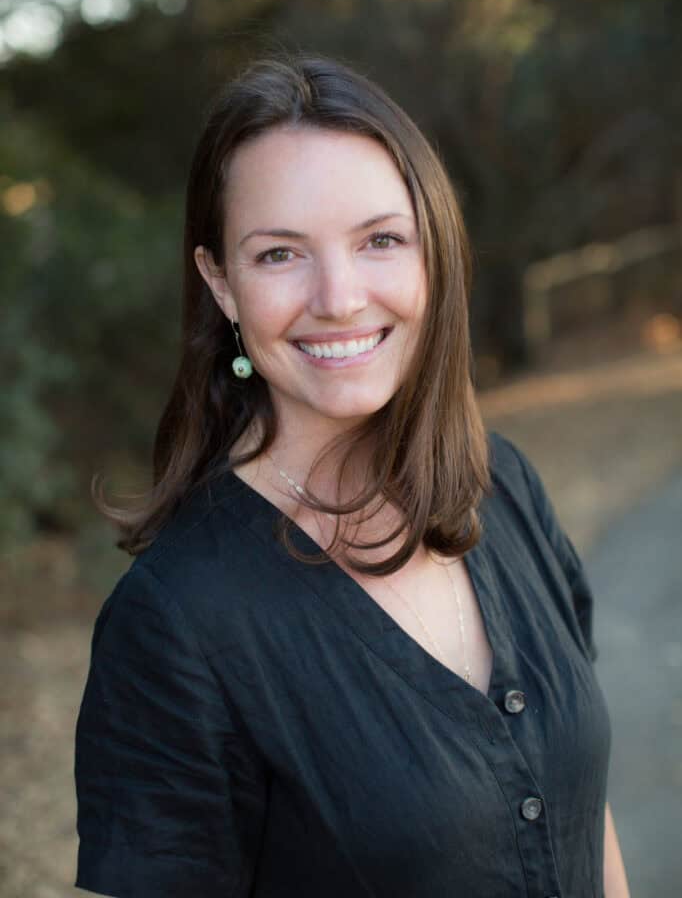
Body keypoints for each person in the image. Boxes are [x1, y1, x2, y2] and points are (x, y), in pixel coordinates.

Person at [74, 53, 631, 897]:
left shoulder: (503, 485)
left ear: (431, 254)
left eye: (380, 240)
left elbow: (587, 815)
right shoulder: (174, 626)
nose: (338, 298)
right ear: (220, 284)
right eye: (279, 255)